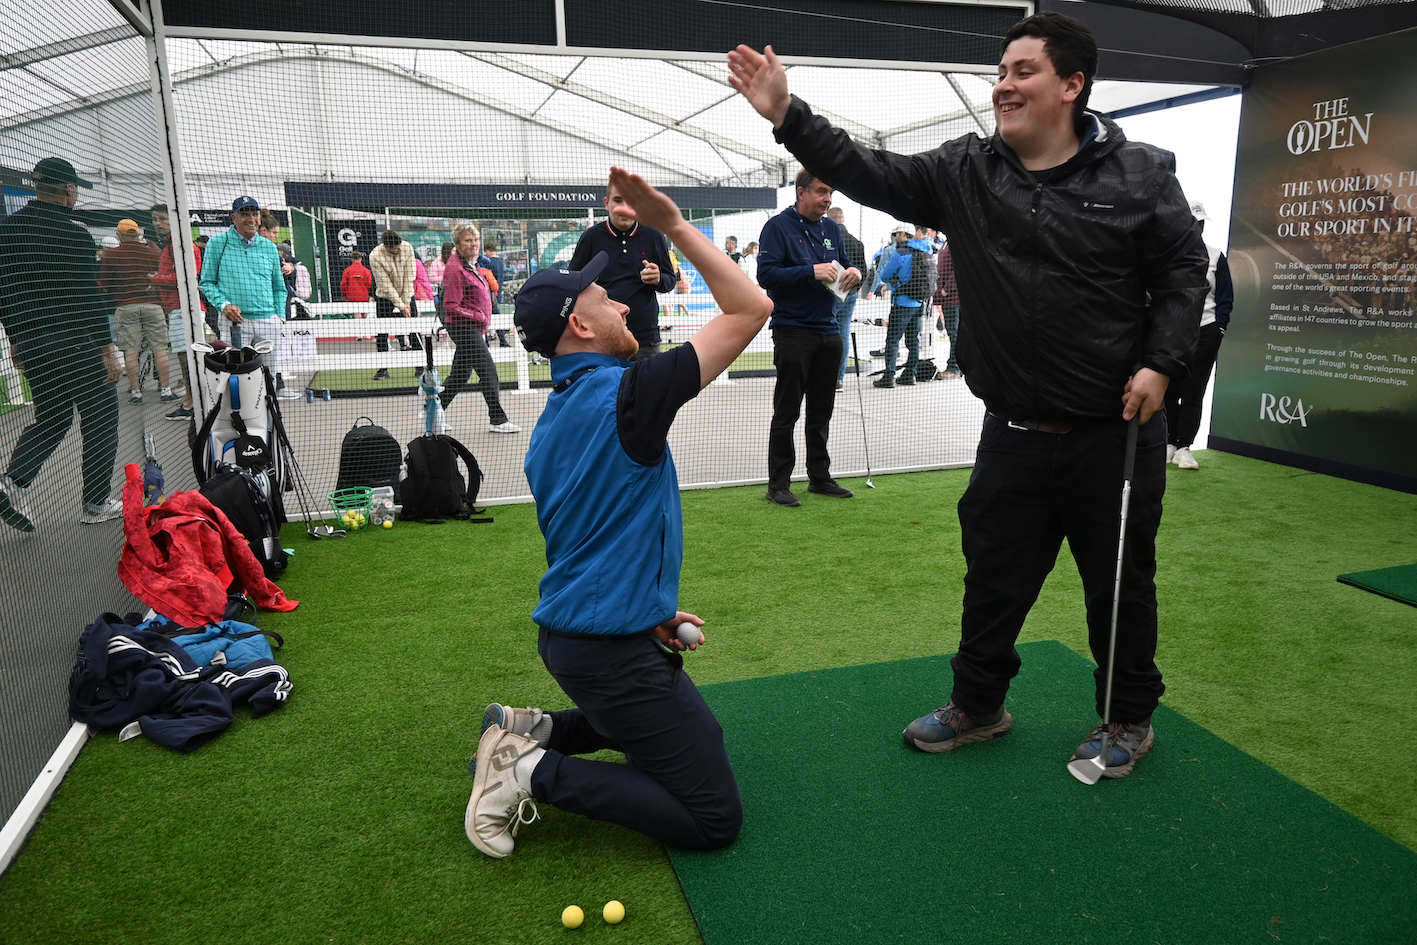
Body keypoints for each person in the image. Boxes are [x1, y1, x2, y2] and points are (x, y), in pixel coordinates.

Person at [729, 11, 1206, 777]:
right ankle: (978, 705)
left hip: (1111, 434)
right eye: (1001, 71)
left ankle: (1126, 718)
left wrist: (1162, 363)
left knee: (1118, 585)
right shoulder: (964, 170)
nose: (1003, 85)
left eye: (1023, 71)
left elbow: (1185, 273)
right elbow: (867, 170)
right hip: (1011, 429)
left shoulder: (1141, 173)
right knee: (991, 577)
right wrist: (789, 115)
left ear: (1071, 85)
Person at [464, 167, 772, 859]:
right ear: (580, 322)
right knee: (711, 817)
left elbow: (596, 535)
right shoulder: (631, 394)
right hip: (607, 654)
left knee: (704, 738)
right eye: (609, 300)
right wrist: (673, 224)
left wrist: (650, 607)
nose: (626, 308)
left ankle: (535, 728)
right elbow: (751, 307)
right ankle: (522, 769)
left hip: (599, 637)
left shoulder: (550, 422)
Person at [0, 157, 124, 531]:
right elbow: (87, 295)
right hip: (76, 341)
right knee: (102, 417)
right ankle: (95, 502)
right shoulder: (74, 233)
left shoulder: (6, 230)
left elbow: (5, 292)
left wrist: (17, 340)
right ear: (69, 190)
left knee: (52, 417)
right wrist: (107, 348)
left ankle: (10, 481)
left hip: (33, 342)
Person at [756, 168, 861, 507]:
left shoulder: (831, 227)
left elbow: (844, 265)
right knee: (786, 411)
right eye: (821, 191)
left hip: (828, 331)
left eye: (830, 192)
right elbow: (765, 275)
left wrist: (854, 272)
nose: (827, 198)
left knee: (822, 411)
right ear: (801, 192)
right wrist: (810, 271)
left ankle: (820, 478)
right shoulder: (777, 227)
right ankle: (778, 485)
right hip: (792, 330)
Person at [568, 174, 678, 361]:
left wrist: (658, 279)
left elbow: (670, 281)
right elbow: (572, 283)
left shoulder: (654, 235)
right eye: (618, 201)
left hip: (645, 339)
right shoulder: (592, 237)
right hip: (603, 339)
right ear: (607, 203)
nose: (625, 208)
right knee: (609, 390)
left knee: (648, 390)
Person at [199, 196, 300, 399]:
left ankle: (267, 424)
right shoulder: (218, 244)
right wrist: (224, 305)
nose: (251, 219)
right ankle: (237, 424)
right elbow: (206, 282)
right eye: (244, 214)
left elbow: (279, 288)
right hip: (234, 322)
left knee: (268, 378)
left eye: (254, 214)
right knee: (233, 377)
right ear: (233, 218)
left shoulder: (269, 247)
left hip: (268, 322)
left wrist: (279, 317)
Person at [1165, 201, 1232, 470]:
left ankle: (1184, 446)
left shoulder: (1216, 256)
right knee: (1168, 389)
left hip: (1206, 332)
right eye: (1193, 222)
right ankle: (1168, 442)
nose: (1197, 227)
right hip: (1172, 333)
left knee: (1194, 391)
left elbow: (1225, 297)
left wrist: (1220, 328)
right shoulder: (1168, 255)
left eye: (1201, 223)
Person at [439, 223, 520, 434]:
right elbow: (450, 307)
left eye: (475, 240)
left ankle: (433, 412)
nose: (474, 244)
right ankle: (498, 419)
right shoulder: (455, 268)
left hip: (472, 327)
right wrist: (479, 316)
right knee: (488, 371)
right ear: (457, 243)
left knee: (460, 375)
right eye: (468, 240)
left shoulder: (469, 264)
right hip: (465, 328)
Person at [102, 218, 176, 405]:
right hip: (153, 306)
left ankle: (136, 392)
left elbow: (105, 286)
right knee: (159, 349)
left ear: (119, 234)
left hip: (126, 306)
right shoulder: (153, 253)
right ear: (138, 233)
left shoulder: (111, 256)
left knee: (131, 351)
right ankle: (166, 391)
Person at [148, 203, 200, 421]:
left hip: (184, 309)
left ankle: (192, 404)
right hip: (177, 308)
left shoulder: (182, 246)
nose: (157, 223)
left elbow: (189, 278)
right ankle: (192, 401)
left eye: (162, 219)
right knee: (184, 356)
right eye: (155, 219)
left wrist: (156, 279)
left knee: (187, 357)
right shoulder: (171, 245)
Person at [868, 222, 929, 388]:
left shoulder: (900, 253)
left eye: (896, 235)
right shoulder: (926, 250)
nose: (893, 238)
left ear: (903, 235)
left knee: (893, 340)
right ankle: (910, 374)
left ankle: (888, 377)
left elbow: (885, 275)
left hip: (901, 302)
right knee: (913, 340)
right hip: (919, 303)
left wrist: (896, 278)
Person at [369, 229, 419, 378]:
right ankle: (383, 369)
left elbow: (410, 276)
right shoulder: (375, 256)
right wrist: (401, 306)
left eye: (400, 245)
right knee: (382, 332)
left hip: (407, 294)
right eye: (396, 247)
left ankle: (420, 366)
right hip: (385, 297)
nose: (399, 249)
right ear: (386, 247)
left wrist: (407, 301)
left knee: (414, 329)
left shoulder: (407, 247)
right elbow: (385, 285)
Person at [826, 208, 865, 390]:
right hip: (851, 294)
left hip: (830, 294)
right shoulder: (857, 242)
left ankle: (823, 375)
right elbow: (863, 271)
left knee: (823, 332)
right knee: (843, 333)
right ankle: (838, 378)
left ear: (829, 219)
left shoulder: (826, 240)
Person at [933, 238, 963, 379]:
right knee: (953, 331)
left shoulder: (957, 243)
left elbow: (959, 268)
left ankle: (954, 367)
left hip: (952, 297)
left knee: (954, 332)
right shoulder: (947, 243)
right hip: (947, 297)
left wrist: (947, 289)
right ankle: (957, 366)